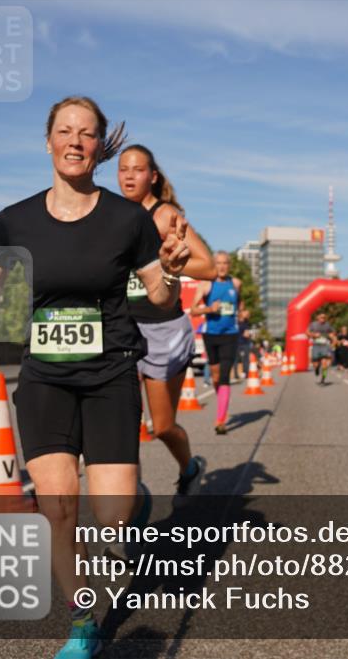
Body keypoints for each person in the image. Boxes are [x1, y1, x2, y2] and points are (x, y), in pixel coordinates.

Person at [0, 96, 191, 659]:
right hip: (46, 378)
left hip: (111, 374)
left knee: (111, 517)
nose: (76, 141)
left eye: (88, 133)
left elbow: (159, 295)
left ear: (101, 146)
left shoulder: (127, 219)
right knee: (56, 508)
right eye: (65, 131)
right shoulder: (12, 220)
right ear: (48, 140)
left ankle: (133, 505)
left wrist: (170, 272)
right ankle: (82, 622)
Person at [118, 144, 212, 504]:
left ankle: (189, 469)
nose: (128, 175)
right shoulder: (113, 215)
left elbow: (207, 266)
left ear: (152, 176)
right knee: (123, 426)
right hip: (124, 329)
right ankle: (131, 506)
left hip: (164, 330)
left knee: (162, 426)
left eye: (137, 169)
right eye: (123, 169)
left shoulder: (164, 215)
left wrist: (165, 264)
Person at [190, 251, 242, 435]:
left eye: (225, 263)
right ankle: (222, 401)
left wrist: (243, 314)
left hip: (231, 334)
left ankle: (220, 419)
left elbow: (239, 305)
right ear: (214, 264)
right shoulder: (206, 285)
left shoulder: (235, 284)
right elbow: (194, 310)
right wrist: (210, 309)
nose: (221, 266)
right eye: (218, 263)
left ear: (229, 265)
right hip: (211, 334)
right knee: (216, 376)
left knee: (225, 375)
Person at [307, 312, 336, 384]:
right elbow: (307, 332)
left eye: (324, 317)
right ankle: (316, 369)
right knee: (315, 364)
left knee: (324, 364)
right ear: (318, 318)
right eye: (321, 317)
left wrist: (332, 338)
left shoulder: (327, 325)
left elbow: (333, 333)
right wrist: (314, 334)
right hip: (316, 345)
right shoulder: (313, 325)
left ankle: (323, 378)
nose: (323, 319)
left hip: (325, 346)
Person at [234, 308, 254, 381]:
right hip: (243, 342)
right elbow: (246, 334)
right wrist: (250, 334)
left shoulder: (238, 322)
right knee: (245, 359)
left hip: (237, 342)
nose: (247, 314)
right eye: (246, 312)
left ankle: (237, 374)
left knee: (236, 359)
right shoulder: (244, 323)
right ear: (241, 314)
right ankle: (245, 373)